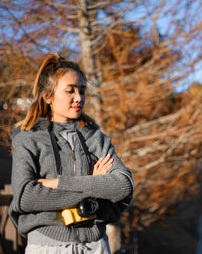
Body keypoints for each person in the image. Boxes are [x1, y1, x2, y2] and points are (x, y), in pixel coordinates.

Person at [8, 53, 134, 253]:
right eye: (70, 91)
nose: (79, 98)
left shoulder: (95, 138)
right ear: (48, 96)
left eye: (82, 90)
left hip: (95, 245)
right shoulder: (27, 139)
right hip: (47, 246)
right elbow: (26, 197)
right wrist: (95, 184)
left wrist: (56, 184)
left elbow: (123, 186)